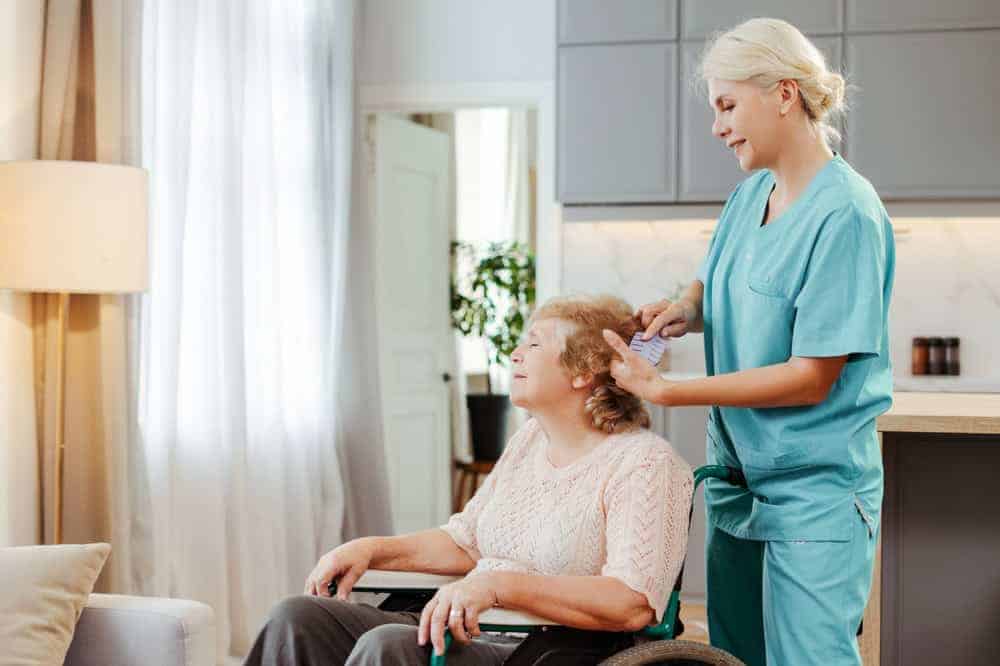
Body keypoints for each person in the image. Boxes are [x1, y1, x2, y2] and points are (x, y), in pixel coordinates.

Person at [601, 18, 895, 666]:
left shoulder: (846, 214)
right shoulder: (749, 195)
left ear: (784, 94)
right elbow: (722, 281)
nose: (717, 126)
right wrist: (683, 308)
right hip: (739, 488)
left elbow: (811, 375)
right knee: (733, 659)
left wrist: (668, 390)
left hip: (811, 500)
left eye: (728, 105)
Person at [244, 295, 694, 665]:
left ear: (585, 371)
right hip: (475, 624)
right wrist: (369, 549)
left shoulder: (644, 464)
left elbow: (631, 601)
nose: (516, 353)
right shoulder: (530, 443)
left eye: (535, 345)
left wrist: (497, 586)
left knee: (387, 647)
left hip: (550, 649)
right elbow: (467, 542)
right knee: (297, 618)